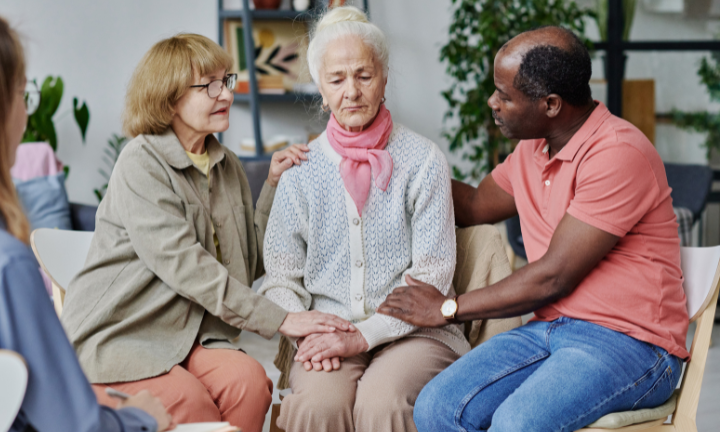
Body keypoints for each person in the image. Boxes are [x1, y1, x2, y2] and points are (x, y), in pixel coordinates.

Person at [376, 26, 689, 432]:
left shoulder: (617, 153)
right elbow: (473, 206)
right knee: (436, 407)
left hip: (632, 344)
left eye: (505, 95)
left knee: (515, 424)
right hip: (550, 330)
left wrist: (447, 307)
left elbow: (553, 276)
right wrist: (397, 161)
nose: (493, 102)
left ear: (552, 104)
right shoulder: (534, 148)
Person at [59, 33, 353, 432]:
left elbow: (246, 265)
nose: (226, 95)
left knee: (250, 385)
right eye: (209, 86)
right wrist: (283, 319)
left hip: (187, 338)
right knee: (193, 403)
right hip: (124, 335)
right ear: (169, 99)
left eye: (227, 81)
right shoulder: (141, 162)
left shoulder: (225, 163)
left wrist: (272, 185)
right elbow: (188, 268)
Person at [0, 7, 171, 432]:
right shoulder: (2, 266)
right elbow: (76, 428)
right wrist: (143, 419)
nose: (27, 112)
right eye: (21, 93)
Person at [257, 6, 469, 432]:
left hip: (416, 331)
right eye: (337, 80)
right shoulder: (300, 170)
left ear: (384, 78)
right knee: (317, 407)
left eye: (364, 76)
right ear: (321, 87)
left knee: (381, 404)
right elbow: (279, 276)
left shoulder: (423, 160)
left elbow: (432, 274)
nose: (351, 91)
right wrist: (306, 330)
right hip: (325, 332)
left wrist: (366, 334)